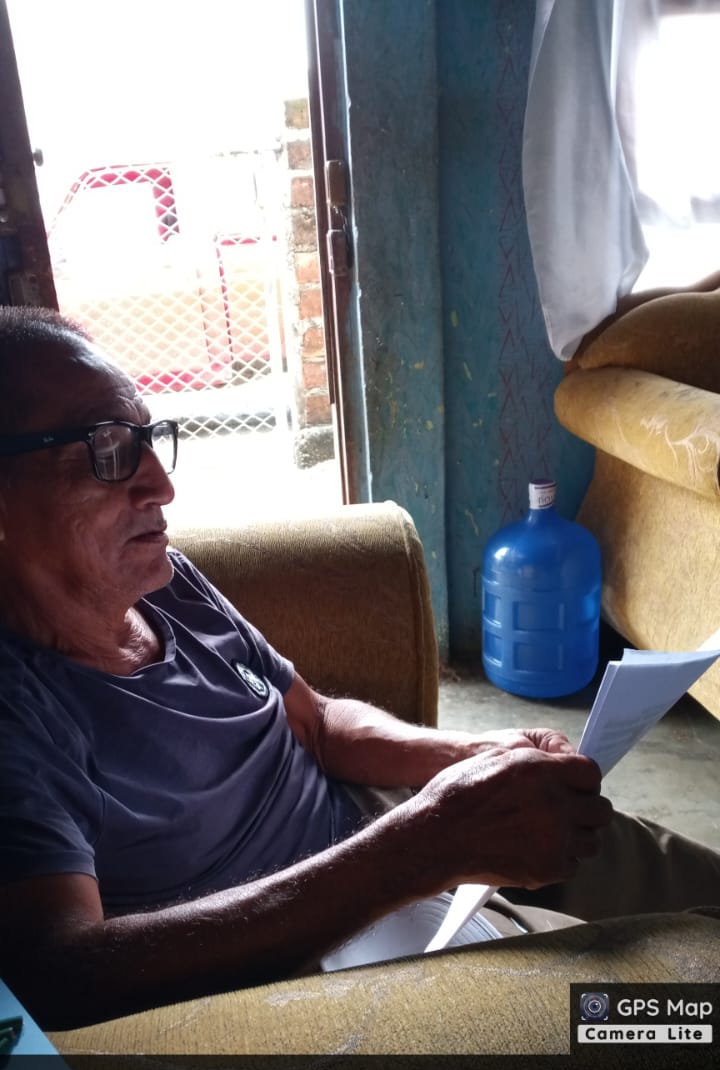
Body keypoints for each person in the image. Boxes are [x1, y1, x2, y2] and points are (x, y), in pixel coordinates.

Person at [0, 308, 718, 1032]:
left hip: (382, 829)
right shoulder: (19, 716)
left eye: (150, 440)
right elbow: (60, 972)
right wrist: (421, 850)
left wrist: (466, 753)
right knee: (654, 1003)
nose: (161, 486)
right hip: (301, 949)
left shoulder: (164, 582)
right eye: (107, 448)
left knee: (640, 854)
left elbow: (316, 722)